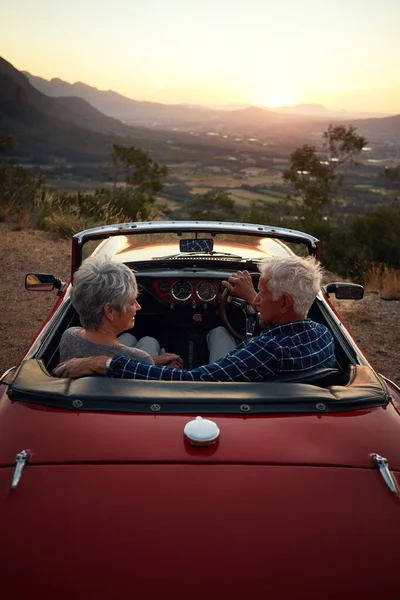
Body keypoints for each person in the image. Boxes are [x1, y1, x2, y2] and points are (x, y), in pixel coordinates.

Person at [54, 255, 335, 382]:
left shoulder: (263, 351)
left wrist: (106, 363)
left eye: (261, 293)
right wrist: (252, 300)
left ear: (284, 302)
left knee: (154, 338)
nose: (256, 300)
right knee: (221, 334)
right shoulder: (324, 336)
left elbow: (192, 379)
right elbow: (280, 316)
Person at [59, 256, 182, 368]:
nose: (138, 307)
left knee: (129, 337)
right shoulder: (141, 359)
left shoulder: (69, 336)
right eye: (133, 302)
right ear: (110, 311)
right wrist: (163, 368)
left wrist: (154, 360)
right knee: (149, 341)